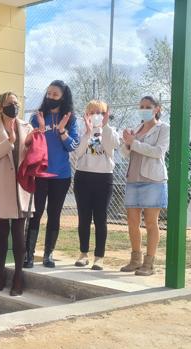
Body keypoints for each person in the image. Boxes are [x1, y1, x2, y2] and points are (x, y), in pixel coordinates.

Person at [0, 91, 35, 296]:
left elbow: (32, 154)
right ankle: (1, 274)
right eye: (9, 103)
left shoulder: (26, 127)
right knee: (2, 232)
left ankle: (18, 277)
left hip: (21, 186)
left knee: (19, 234)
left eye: (16, 103)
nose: (14, 106)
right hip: (1, 186)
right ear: (0, 106)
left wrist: (37, 138)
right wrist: (9, 141)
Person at [24, 80, 79, 268]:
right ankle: (28, 255)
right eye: (48, 94)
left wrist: (62, 130)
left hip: (61, 176)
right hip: (40, 174)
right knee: (35, 214)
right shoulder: (37, 117)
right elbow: (28, 144)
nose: (50, 97)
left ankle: (48, 254)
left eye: (55, 95)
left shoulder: (70, 119)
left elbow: (73, 145)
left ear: (63, 97)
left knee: (54, 214)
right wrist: (39, 129)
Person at [120, 96, 170, 276]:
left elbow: (158, 152)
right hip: (133, 180)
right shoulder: (136, 129)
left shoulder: (163, 128)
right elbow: (125, 153)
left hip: (153, 181)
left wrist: (134, 143)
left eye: (148, 106)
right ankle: (135, 260)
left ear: (157, 109)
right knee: (132, 222)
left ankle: (149, 264)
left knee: (151, 223)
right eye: (141, 106)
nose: (144, 109)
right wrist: (126, 142)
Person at [73, 100, 120, 271]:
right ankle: (83, 254)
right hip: (83, 177)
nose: (96, 115)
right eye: (92, 112)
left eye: (100, 112)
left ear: (106, 114)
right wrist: (87, 132)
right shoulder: (81, 131)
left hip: (104, 178)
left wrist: (104, 128)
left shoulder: (112, 131)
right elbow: (77, 153)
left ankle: (99, 257)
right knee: (84, 218)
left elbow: (110, 148)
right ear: (87, 114)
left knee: (100, 218)